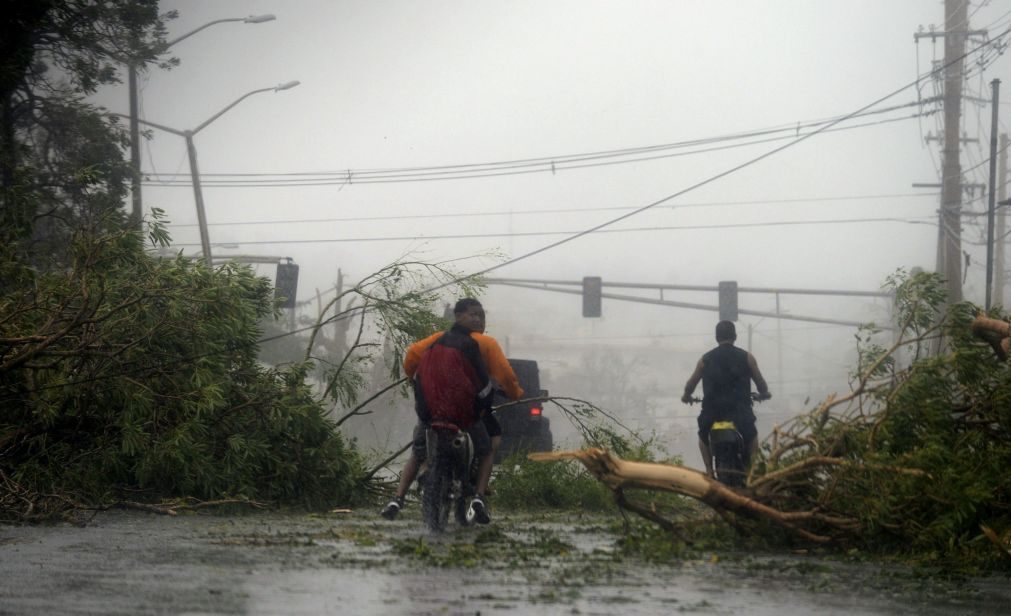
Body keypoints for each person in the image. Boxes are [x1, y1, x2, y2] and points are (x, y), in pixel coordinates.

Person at [381, 298, 523, 523]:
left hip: (433, 413)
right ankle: (478, 496)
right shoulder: (485, 343)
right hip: (466, 414)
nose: (478, 319)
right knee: (489, 446)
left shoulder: (437, 340)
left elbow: (411, 358)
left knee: (418, 452)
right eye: (473, 315)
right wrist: (515, 394)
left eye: (481, 315)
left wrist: (412, 377)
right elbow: (505, 376)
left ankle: (398, 497)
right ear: (459, 317)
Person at [681, 320, 771, 477]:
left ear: (716, 337)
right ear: (735, 336)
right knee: (752, 437)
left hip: (713, 414)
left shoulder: (704, 360)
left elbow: (690, 385)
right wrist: (764, 393)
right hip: (740, 413)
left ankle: (709, 471)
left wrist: (687, 396)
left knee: (703, 436)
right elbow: (761, 384)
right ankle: (752, 473)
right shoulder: (747, 358)